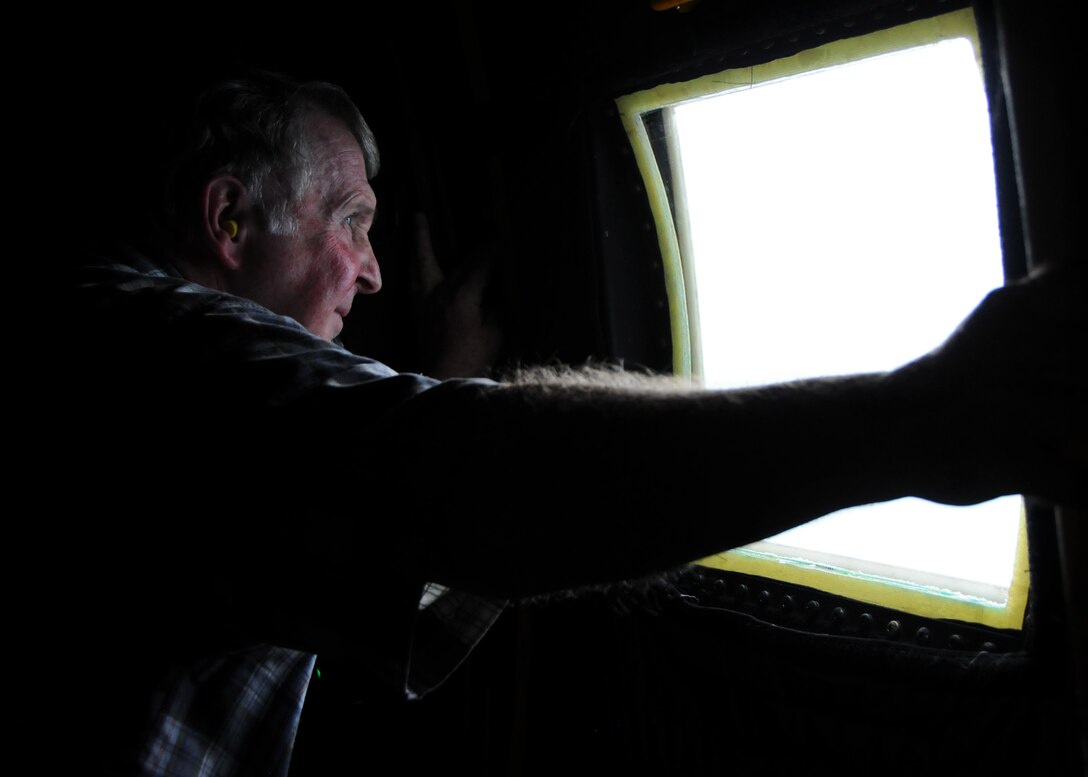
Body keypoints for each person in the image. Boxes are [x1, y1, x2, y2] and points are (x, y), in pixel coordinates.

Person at [56, 70, 1085, 776]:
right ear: (229, 220)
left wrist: (424, 378)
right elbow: (472, 487)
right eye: (351, 222)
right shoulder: (143, 346)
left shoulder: (154, 368)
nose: (370, 270)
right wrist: (921, 420)